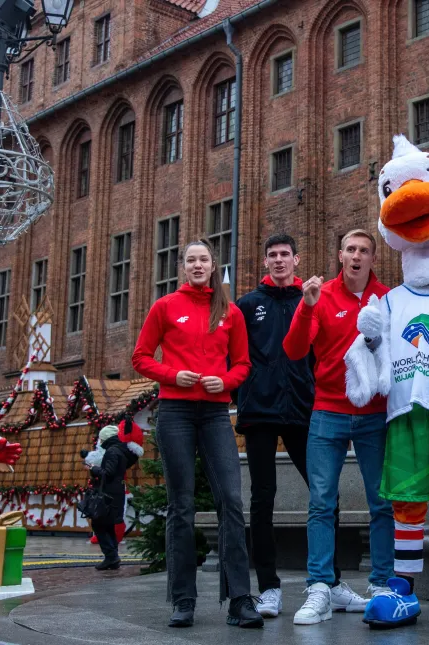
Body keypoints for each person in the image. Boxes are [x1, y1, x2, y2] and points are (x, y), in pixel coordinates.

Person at [131, 239, 262, 629]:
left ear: (212, 265)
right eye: (191, 260)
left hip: (215, 413)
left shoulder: (230, 313)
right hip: (174, 413)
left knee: (232, 502)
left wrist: (221, 382)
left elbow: (242, 365)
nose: (198, 264)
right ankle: (183, 600)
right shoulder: (165, 307)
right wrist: (173, 375)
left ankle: (239, 600)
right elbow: (139, 357)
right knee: (181, 505)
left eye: (204, 259)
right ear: (182, 267)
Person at [235, 233, 360, 618]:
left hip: (305, 409)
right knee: (262, 498)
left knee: (326, 495)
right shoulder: (247, 305)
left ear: (296, 260)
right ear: (265, 262)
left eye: (284, 254)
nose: (278, 260)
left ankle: (331, 582)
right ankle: (269, 588)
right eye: (271, 255)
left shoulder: (313, 300)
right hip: (259, 410)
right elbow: (234, 355)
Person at [282, 229, 394, 626]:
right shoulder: (322, 295)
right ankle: (320, 586)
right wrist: (307, 307)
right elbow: (294, 350)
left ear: (372, 258)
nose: (357, 256)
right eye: (350, 249)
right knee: (321, 502)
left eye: (364, 250)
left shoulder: (388, 298)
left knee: (382, 501)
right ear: (340, 256)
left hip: (374, 413)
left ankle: (381, 583)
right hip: (327, 410)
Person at [87, 424, 139, 571]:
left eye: (102, 439)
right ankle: (112, 556)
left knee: (98, 523)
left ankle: (111, 556)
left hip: (108, 493)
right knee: (108, 524)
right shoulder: (122, 450)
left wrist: (93, 469)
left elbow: (108, 473)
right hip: (117, 492)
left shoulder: (112, 452)